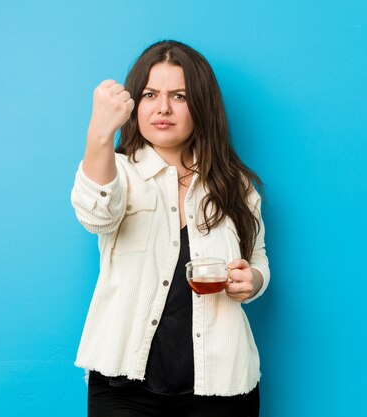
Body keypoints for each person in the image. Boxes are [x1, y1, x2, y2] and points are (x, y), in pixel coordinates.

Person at [71, 40, 270, 417]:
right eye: (150, 94)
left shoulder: (236, 184)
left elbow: (257, 257)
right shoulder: (118, 172)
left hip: (222, 384)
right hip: (123, 386)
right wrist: (99, 133)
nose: (163, 107)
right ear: (134, 104)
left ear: (201, 106)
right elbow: (95, 216)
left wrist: (254, 280)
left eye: (179, 96)